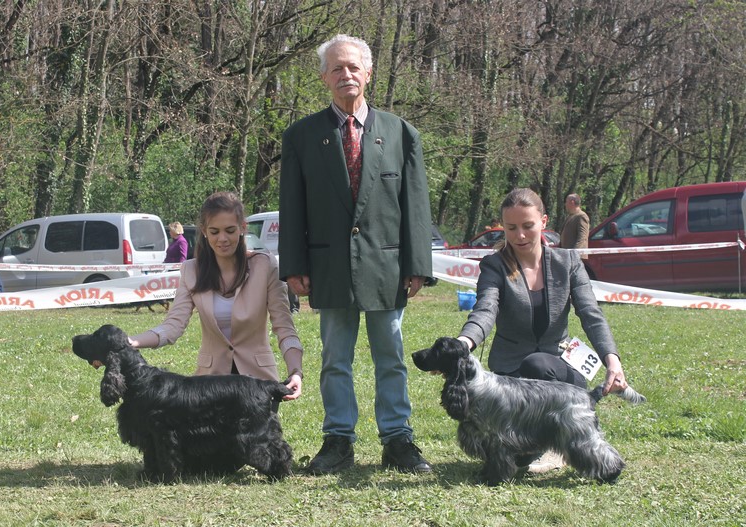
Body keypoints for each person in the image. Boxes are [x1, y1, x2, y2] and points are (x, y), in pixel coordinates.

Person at [279, 34, 433, 474]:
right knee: (335, 360)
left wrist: (417, 265)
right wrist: (294, 266)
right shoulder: (301, 136)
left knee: (391, 358)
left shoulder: (401, 133)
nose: (346, 74)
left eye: (353, 67)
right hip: (327, 266)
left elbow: (415, 205)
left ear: (368, 73)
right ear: (324, 77)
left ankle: (398, 440)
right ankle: (338, 441)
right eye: (336, 68)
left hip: (388, 267)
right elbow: (292, 207)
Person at [455, 187, 633, 473]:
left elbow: (591, 314)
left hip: (559, 369)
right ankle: (534, 446)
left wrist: (613, 361)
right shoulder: (494, 266)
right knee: (529, 371)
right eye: (511, 228)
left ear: (544, 222)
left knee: (538, 363)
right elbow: (485, 310)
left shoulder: (568, 262)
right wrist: (464, 343)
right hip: (512, 374)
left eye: (528, 226)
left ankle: (553, 444)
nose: (520, 235)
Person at [128, 192, 303, 400]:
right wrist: (131, 341)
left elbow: (285, 328)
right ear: (204, 231)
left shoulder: (266, 265)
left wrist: (296, 372)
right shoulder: (190, 270)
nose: (222, 239)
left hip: (258, 384)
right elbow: (172, 327)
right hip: (210, 387)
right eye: (214, 231)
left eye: (230, 230)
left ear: (243, 228)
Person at [560, 193, 590, 257]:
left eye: (566, 202)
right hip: (567, 255)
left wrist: (574, 253)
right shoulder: (570, 216)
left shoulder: (581, 216)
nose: (565, 204)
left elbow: (582, 237)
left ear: (572, 202)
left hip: (576, 257)